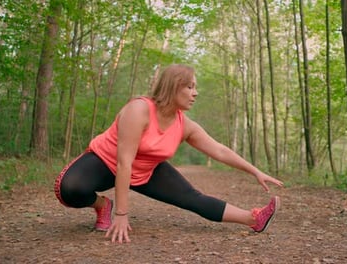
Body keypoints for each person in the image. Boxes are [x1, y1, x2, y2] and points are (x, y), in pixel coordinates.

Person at [54, 64, 283, 244]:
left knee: (193, 198)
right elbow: (124, 163)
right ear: (173, 87)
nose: (196, 93)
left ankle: (254, 219)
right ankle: (102, 206)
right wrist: (121, 215)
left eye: (195, 87)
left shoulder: (185, 125)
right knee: (69, 188)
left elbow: (220, 150)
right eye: (190, 87)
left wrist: (255, 171)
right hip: (106, 161)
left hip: (146, 170)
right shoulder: (139, 110)